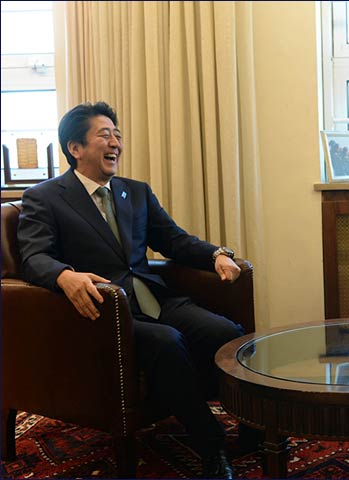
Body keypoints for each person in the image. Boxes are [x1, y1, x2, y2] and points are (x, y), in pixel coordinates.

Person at [17, 101, 244, 479]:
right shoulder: (45, 197)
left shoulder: (134, 192)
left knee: (226, 333)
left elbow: (173, 241)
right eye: (104, 135)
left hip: (153, 299)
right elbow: (33, 256)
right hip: (103, 311)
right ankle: (211, 445)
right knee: (167, 343)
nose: (116, 143)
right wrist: (64, 275)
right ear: (75, 148)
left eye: (118, 135)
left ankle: (253, 430)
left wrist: (217, 254)